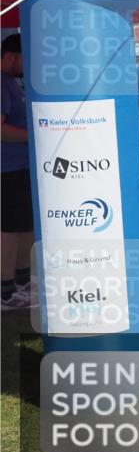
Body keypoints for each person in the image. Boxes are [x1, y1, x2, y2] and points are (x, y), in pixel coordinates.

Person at [1, 35, 34, 310]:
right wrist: (35, 136)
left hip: (22, 167)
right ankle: (6, 291)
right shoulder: (1, 84)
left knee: (25, 226)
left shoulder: (12, 83)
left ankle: (22, 283)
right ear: (11, 56)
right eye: (25, 58)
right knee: (9, 230)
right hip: (7, 168)